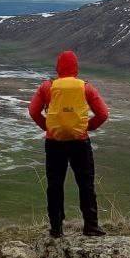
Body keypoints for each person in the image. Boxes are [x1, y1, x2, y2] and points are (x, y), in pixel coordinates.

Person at [28, 50, 109, 238]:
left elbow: (33, 111)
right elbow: (103, 114)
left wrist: (48, 127)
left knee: (55, 185)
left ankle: (56, 228)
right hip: (80, 142)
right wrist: (86, 128)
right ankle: (91, 226)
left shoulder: (47, 87)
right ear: (76, 68)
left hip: (54, 143)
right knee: (86, 184)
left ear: (58, 67)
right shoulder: (86, 87)